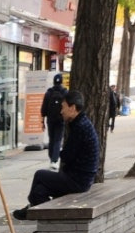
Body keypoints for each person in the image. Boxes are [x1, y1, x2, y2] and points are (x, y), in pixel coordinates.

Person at [12, 90, 99, 220]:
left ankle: (32, 207)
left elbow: (67, 156)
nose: (61, 111)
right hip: (79, 177)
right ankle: (46, 218)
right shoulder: (81, 123)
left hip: (79, 181)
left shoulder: (80, 127)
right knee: (39, 191)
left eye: (63, 107)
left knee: (39, 174)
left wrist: (61, 153)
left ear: (72, 108)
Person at [40, 72, 69, 167]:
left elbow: (44, 108)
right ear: (61, 81)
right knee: (58, 140)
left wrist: (42, 121)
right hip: (61, 119)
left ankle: (51, 157)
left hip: (50, 120)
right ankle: (55, 160)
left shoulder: (49, 93)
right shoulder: (65, 92)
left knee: (51, 139)